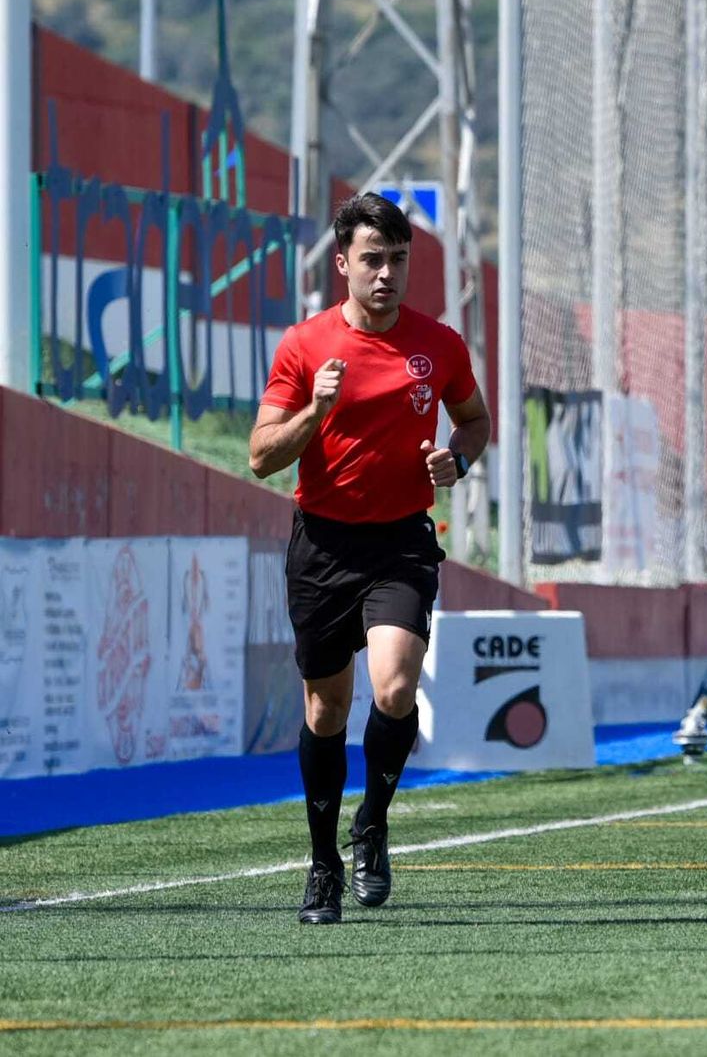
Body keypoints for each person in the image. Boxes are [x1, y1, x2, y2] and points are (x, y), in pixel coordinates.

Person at [249, 193, 490, 924]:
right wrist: (316, 411)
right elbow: (261, 456)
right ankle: (322, 863)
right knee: (325, 708)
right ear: (343, 263)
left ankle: (373, 824)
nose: (387, 274)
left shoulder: (439, 344)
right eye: (373, 260)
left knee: (394, 689)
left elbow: (474, 420)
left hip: (401, 542)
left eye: (399, 260)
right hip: (323, 546)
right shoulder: (304, 346)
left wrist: (458, 459)